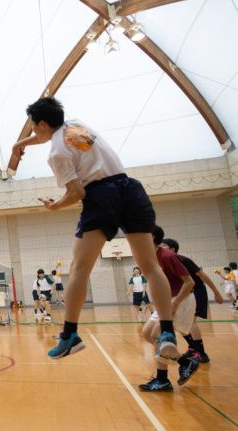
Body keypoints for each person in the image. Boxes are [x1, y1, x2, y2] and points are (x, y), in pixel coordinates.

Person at [12, 97, 178, 361]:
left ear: (42, 123)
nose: (33, 132)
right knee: (150, 267)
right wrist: (20, 144)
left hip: (101, 195)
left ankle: (69, 336)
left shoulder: (56, 153)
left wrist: (55, 206)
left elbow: (76, 192)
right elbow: (48, 136)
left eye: (33, 127)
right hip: (131, 189)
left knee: (79, 268)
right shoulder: (76, 126)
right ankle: (168, 333)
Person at [138, 226, 198, 391]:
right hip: (165, 301)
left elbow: (189, 282)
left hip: (180, 299)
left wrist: (176, 303)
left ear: (151, 237)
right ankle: (185, 362)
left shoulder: (168, 256)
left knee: (157, 334)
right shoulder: (148, 257)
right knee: (147, 333)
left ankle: (162, 380)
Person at [161, 238, 223, 363]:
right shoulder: (164, 262)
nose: (160, 249)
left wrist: (216, 293)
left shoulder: (183, 260)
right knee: (179, 323)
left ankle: (202, 354)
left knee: (190, 322)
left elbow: (203, 275)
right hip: (182, 294)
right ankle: (193, 349)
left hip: (196, 291)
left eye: (163, 246)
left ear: (172, 249)